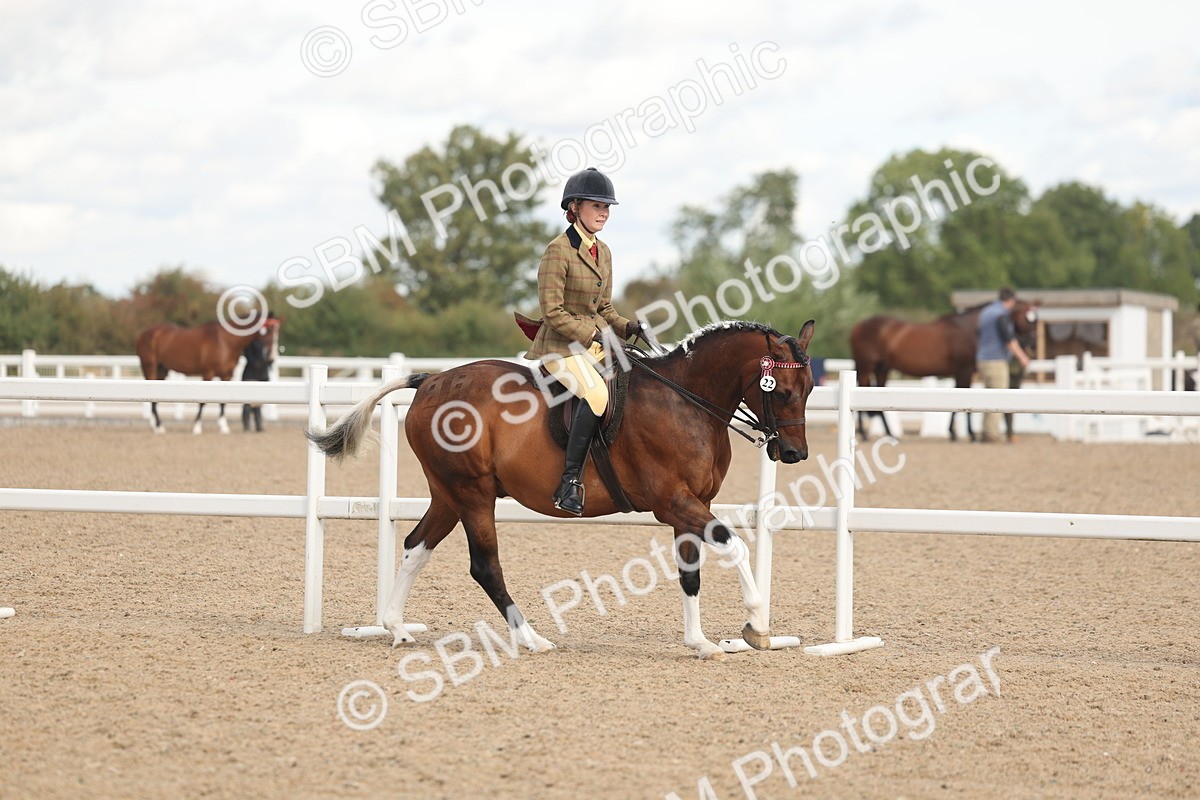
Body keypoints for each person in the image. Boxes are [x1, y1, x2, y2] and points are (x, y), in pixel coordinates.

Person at [524, 167, 643, 515]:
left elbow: (604, 307)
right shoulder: (557, 251)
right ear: (574, 207)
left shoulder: (603, 252)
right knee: (595, 392)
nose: (604, 212)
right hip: (558, 347)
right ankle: (569, 482)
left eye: (608, 206)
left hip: (593, 344)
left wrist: (628, 328)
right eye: (597, 205)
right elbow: (552, 312)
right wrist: (592, 334)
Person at [976, 287, 1030, 443]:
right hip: (995, 360)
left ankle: (987, 430)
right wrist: (1022, 357)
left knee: (988, 396)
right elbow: (1008, 339)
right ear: (1011, 300)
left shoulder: (986, 312)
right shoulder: (1001, 315)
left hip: (982, 359)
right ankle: (992, 434)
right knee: (998, 397)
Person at [240, 338, 270, 432]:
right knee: (248, 402)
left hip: (260, 375)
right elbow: (250, 358)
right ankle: (247, 426)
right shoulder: (250, 342)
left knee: (258, 402)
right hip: (251, 374)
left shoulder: (266, 344)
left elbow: (268, 362)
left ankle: (258, 424)